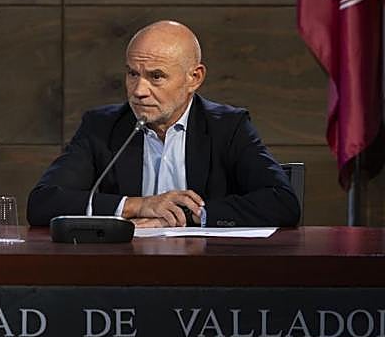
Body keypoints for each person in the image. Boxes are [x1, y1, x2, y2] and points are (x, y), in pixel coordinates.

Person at [27, 20, 299, 228]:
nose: (139, 90)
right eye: (133, 74)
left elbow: (281, 202)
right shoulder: (102, 127)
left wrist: (182, 217)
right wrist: (139, 206)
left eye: (156, 77)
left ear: (194, 78)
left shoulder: (227, 127)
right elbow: (43, 203)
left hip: (208, 273)